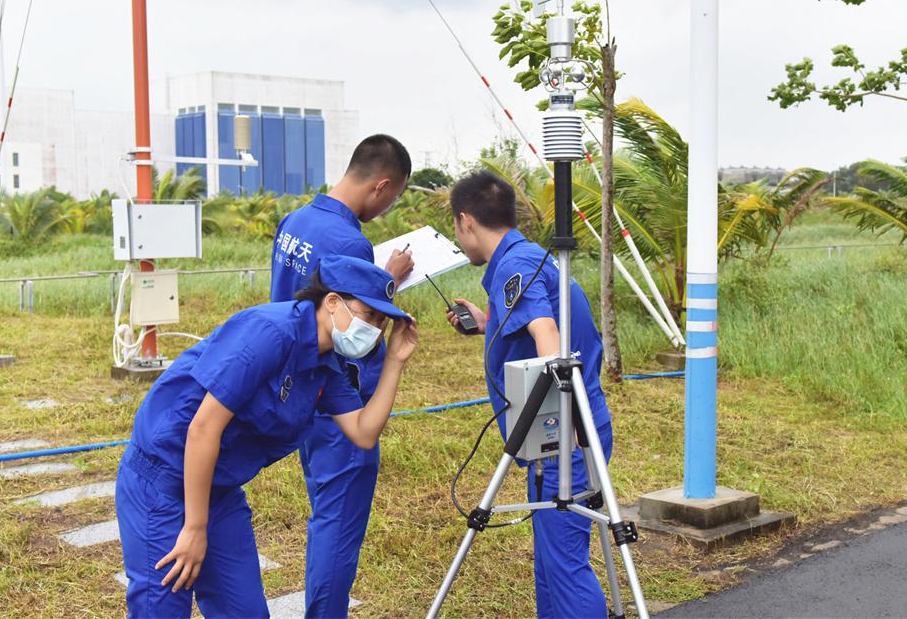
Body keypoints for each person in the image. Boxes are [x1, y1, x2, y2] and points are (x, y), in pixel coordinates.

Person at [115, 256, 418, 618]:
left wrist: (395, 362)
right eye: (369, 315)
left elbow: (363, 432)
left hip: (218, 488)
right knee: (160, 608)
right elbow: (203, 428)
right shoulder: (270, 332)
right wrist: (194, 528)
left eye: (382, 322)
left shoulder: (327, 362)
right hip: (162, 480)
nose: (375, 329)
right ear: (333, 302)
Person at [444, 171, 614, 618]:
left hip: (564, 435)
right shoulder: (532, 256)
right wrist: (488, 323)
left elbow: (547, 334)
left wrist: (565, 426)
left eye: (456, 228)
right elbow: (543, 319)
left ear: (466, 221)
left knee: (565, 568)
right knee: (553, 565)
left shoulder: (514, 266)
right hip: (574, 426)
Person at [269, 134, 414, 617]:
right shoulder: (350, 241)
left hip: (300, 388)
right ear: (382, 185)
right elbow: (355, 329)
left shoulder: (295, 221)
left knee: (325, 510)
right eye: (393, 198)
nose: (387, 208)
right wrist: (387, 281)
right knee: (337, 523)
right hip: (340, 397)